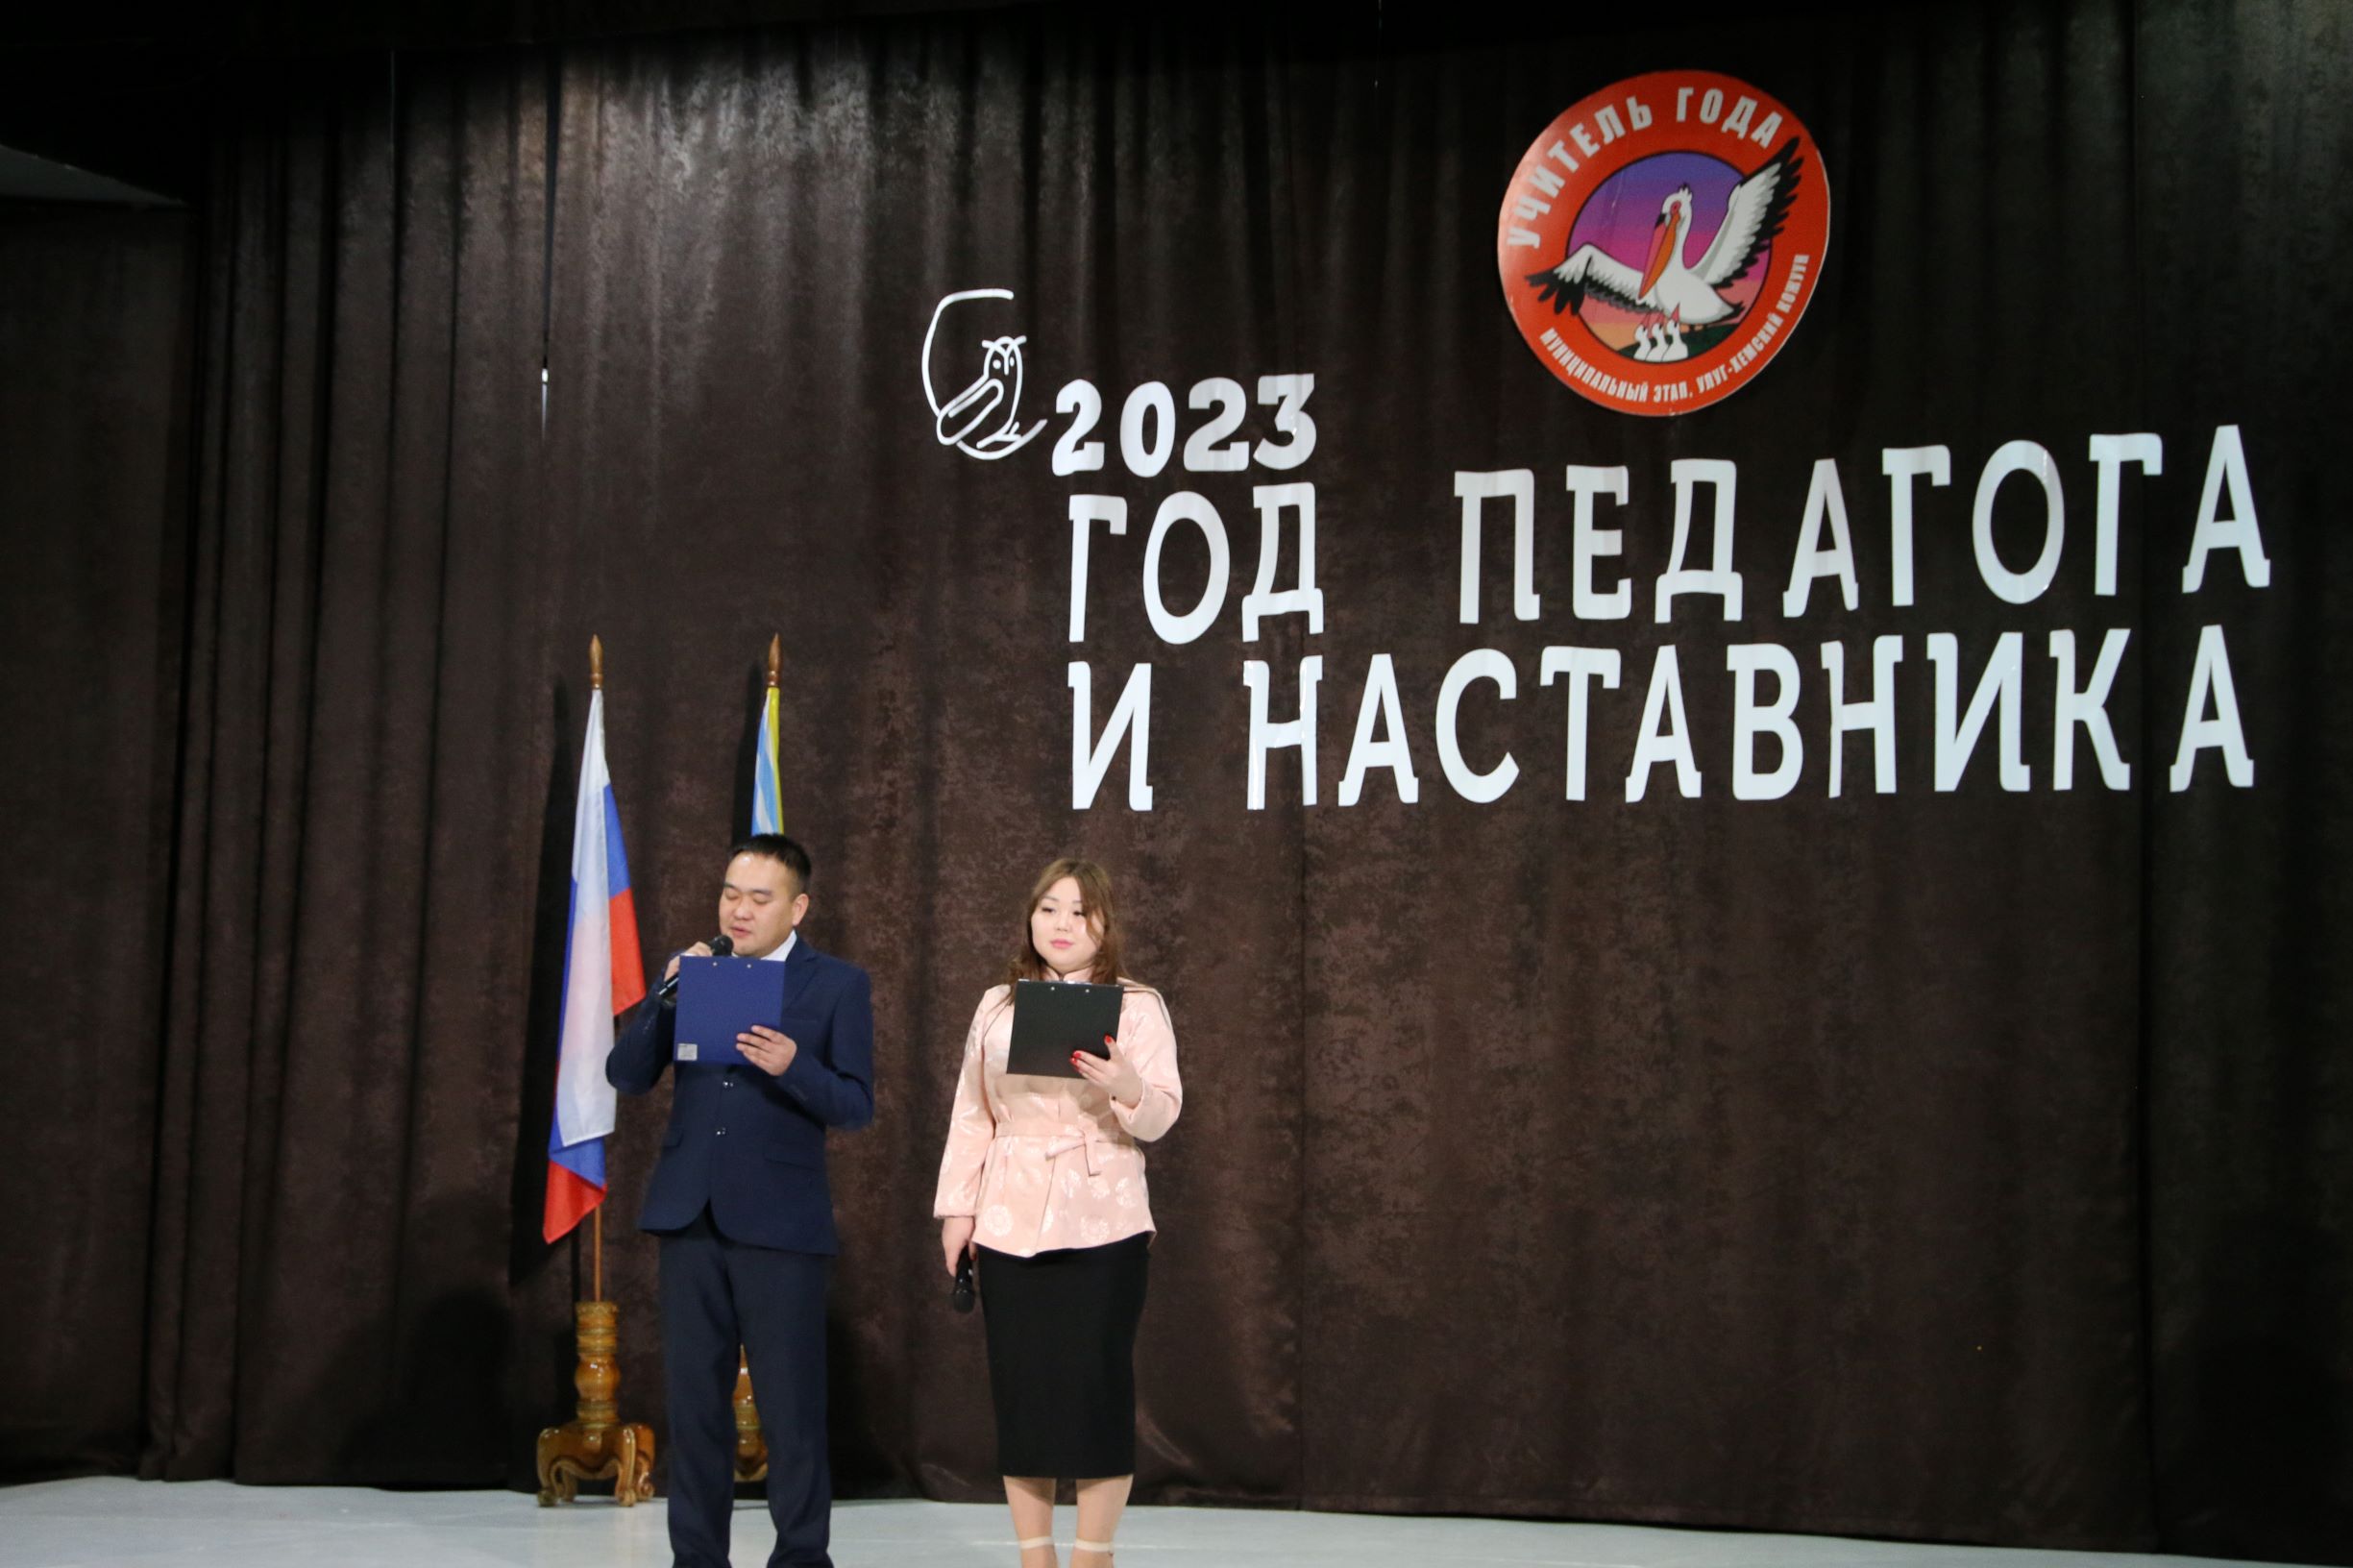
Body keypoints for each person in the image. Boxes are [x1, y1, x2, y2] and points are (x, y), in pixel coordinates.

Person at [607, 834, 874, 1568]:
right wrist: (664, 998)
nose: (740, 909)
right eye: (731, 894)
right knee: (694, 1405)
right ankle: (696, 1558)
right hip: (688, 1216)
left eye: (759, 897)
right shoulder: (695, 972)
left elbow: (856, 1106)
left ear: (798, 907)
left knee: (791, 1409)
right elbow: (625, 1075)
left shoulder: (836, 985)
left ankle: (801, 1558)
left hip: (781, 1225)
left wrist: (794, 1066)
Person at [933, 857, 1183, 1568]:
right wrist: (958, 1211)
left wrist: (1127, 1085)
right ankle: (1034, 1555)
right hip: (1008, 1215)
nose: (1062, 924)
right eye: (1048, 909)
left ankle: (1092, 1555)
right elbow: (971, 1112)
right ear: (1030, 919)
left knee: (1097, 1389)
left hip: (1104, 1217)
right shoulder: (997, 1004)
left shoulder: (1137, 1004)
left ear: (1105, 923)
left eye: (1079, 911)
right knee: (1022, 1391)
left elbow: (1161, 1116)